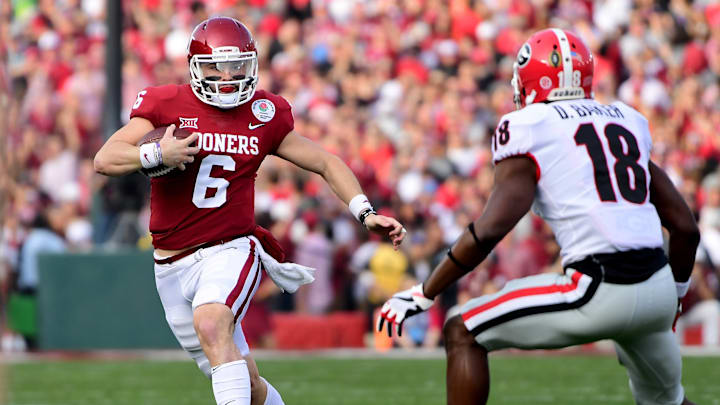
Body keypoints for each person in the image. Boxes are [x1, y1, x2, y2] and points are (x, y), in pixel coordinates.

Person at [378, 28, 699, 405]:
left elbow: (491, 228)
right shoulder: (627, 118)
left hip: (597, 287)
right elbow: (685, 228)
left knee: (463, 330)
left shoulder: (529, 125)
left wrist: (426, 291)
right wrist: (674, 298)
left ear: (531, 80)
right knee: (669, 403)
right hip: (658, 289)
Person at [94, 17, 406, 405]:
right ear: (195, 66)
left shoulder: (264, 113)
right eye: (216, 66)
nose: (227, 76)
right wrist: (158, 152)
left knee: (211, 322)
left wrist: (364, 212)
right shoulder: (166, 104)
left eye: (237, 65)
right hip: (170, 264)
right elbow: (105, 159)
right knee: (249, 383)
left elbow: (325, 161)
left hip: (230, 248)